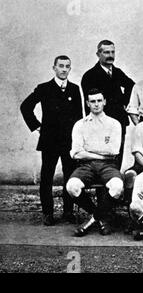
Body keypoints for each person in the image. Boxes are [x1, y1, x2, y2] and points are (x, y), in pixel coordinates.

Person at [20, 55, 83, 226]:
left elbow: (79, 118)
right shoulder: (44, 88)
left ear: (70, 69)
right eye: (60, 66)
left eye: (67, 66)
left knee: (70, 176)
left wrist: (79, 140)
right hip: (50, 140)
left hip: (69, 142)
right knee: (47, 176)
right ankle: (48, 213)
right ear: (54, 68)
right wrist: (37, 126)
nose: (64, 69)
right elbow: (25, 107)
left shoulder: (75, 89)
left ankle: (68, 211)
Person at [66, 88, 124, 237]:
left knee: (117, 187)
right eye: (93, 101)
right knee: (72, 187)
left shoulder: (114, 124)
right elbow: (75, 153)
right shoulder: (80, 124)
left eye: (99, 100)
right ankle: (101, 218)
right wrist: (101, 153)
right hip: (86, 165)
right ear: (87, 104)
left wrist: (89, 150)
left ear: (104, 102)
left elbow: (113, 151)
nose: (96, 104)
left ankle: (92, 220)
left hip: (108, 165)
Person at [81, 39, 135, 166]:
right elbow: (89, 101)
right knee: (101, 152)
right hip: (100, 121)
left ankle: (115, 178)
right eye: (106, 52)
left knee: (117, 151)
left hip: (119, 119)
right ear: (98, 54)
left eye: (112, 52)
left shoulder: (117, 72)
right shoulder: (90, 75)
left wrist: (124, 103)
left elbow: (131, 85)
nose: (110, 55)